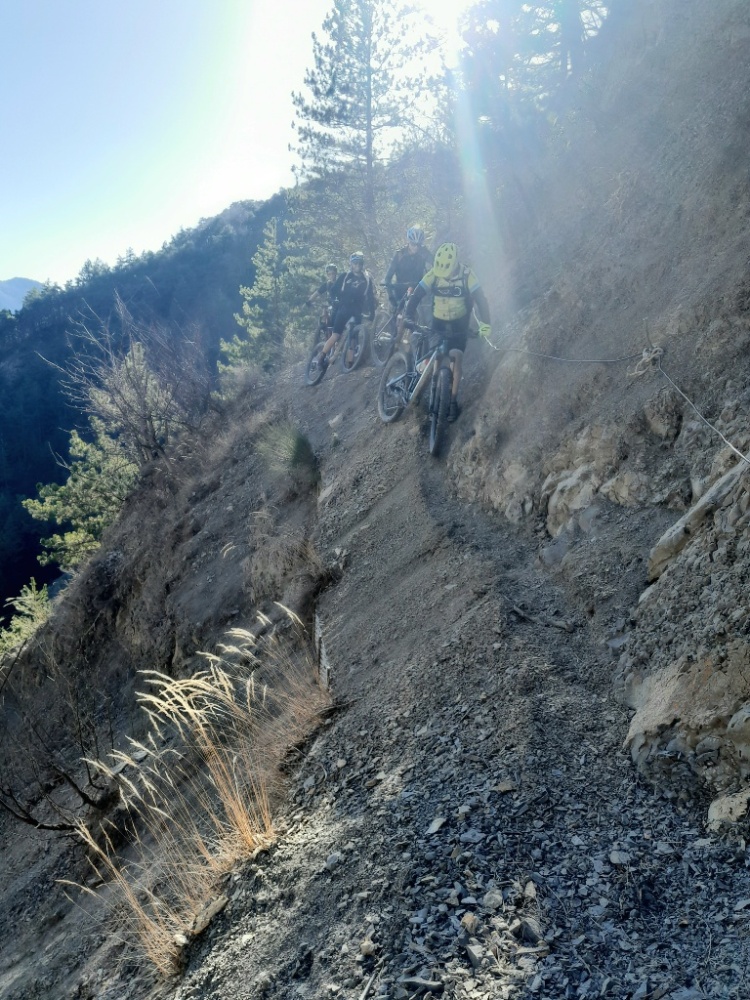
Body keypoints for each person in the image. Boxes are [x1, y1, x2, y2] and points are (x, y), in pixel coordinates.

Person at [402, 241, 490, 422]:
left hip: (460, 325)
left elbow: (481, 299)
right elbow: (417, 295)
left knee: (456, 359)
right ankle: (428, 381)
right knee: (437, 356)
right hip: (439, 323)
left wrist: (486, 323)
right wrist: (408, 315)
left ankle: (452, 401)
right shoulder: (434, 273)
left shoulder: (467, 275)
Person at [315, 252, 376, 372]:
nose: (357, 265)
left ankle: (350, 364)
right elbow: (333, 290)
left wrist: (372, 314)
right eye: (355, 263)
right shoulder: (345, 276)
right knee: (336, 335)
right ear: (351, 264)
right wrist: (336, 300)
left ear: (362, 264)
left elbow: (370, 298)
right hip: (344, 309)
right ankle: (321, 357)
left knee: (353, 338)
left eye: (359, 263)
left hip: (357, 311)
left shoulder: (366, 279)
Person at [383, 226, 433, 310]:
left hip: (418, 290)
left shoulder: (424, 252)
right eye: (413, 244)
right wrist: (391, 297)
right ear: (408, 242)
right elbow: (388, 278)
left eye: (419, 245)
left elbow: (437, 263)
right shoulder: (399, 255)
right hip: (400, 291)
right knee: (398, 313)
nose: (416, 247)